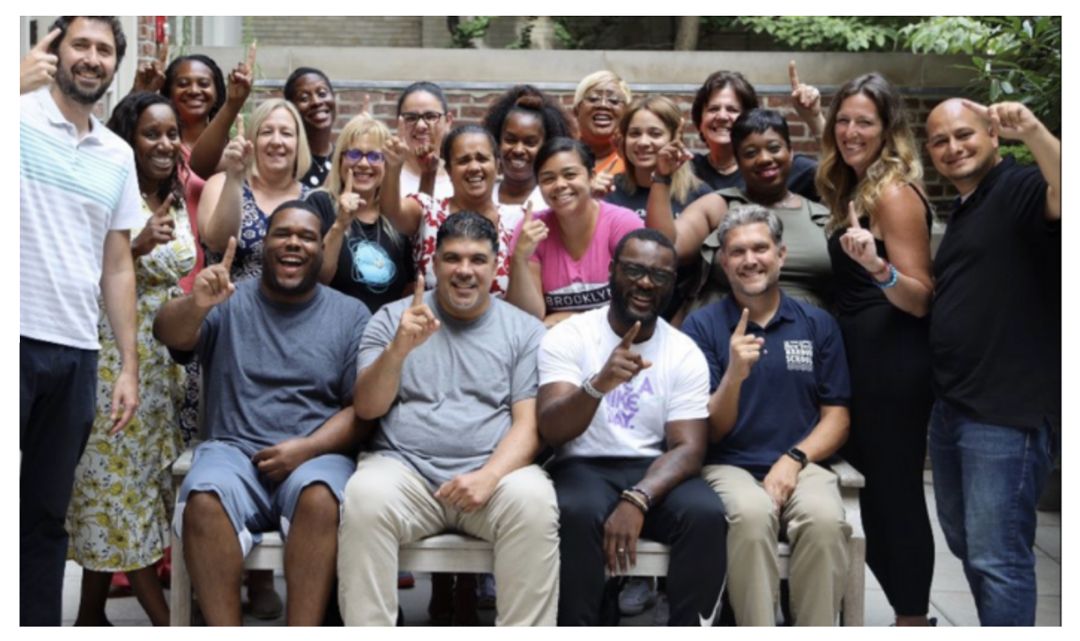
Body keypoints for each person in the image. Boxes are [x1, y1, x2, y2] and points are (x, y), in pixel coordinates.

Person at [154, 200, 371, 625]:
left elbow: (361, 410)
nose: (294, 243)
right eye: (282, 233)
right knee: (203, 499)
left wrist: (307, 448)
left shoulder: (350, 315)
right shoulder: (228, 298)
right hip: (233, 452)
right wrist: (197, 304)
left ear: (323, 250)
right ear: (265, 243)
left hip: (315, 455)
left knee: (321, 498)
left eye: (307, 237)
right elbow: (168, 332)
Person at [338, 212, 558, 626]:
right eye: (453, 258)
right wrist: (398, 350)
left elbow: (529, 424)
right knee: (364, 497)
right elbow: (367, 408)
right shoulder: (392, 319)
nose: (464, 270)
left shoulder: (525, 331)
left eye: (478, 260)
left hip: (492, 478)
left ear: (496, 266)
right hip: (407, 474)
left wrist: (490, 476)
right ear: (434, 263)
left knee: (534, 502)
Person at [538, 228, 727, 626]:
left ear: (672, 284)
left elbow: (689, 448)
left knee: (705, 512)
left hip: (653, 468)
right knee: (576, 511)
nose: (645, 283)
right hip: (583, 465)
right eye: (634, 270)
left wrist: (639, 498)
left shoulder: (683, 351)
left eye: (659, 275)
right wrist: (598, 385)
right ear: (612, 270)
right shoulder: (571, 335)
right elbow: (552, 429)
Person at [20, 16, 141, 626]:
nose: (92, 58)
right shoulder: (15, 114)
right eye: (81, 45)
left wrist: (127, 365)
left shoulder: (117, 154)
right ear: (53, 50)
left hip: (74, 351)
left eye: (105, 50)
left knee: (45, 515)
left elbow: (117, 264)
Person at [924, 98, 1060, 626]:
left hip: (1005, 409)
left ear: (993, 136)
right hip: (955, 404)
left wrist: (1035, 131)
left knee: (997, 556)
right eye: (940, 140)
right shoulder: (968, 206)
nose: (953, 148)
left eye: (965, 135)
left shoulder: (1020, 186)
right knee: (967, 542)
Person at [682, 206, 852, 626]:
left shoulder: (817, 323)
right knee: (752, 514)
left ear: (781, 254)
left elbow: (837, 418)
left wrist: (793, 459)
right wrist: (734, 377)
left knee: (824, 520)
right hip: (727, 465)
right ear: (724, 263)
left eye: (760, 248)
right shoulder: (701, 327)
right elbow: (711, 430)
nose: (750, 260)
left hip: (801, 462)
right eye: (737, 252)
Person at [63, 92, 195, 626]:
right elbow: (78, 266)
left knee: (128, 489)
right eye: (151, 133)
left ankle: (89, 615)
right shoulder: (103, 188)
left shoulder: (174, 196)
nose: (164, 143)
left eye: (171, 133)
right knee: (117, 492)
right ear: (128, 138)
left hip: (164, 371)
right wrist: (134, 246)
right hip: (112, 363)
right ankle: (170, 624)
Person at [817, 72, 936, 626]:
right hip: (862, 359)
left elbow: (920, 297)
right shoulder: (856, 185)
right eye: (842, 120)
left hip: (892, 365)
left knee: (895, 496)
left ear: (888, 128)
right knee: (871, 494)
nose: (850, 131)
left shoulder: (893, 194)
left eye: (864, 121)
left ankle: (912, 619)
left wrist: (877, 267)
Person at [648, 108, 833, 313]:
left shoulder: (820, 216)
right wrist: (662, 178)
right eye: (750, 153)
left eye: (774, 148)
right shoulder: (718, 205)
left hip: (807, 328)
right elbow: (663, 248)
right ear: (738, 161)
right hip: (723, 326)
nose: (764, 159)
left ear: (790, 152)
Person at [506, 137, 643, 327]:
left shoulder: (623, 224)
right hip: (555, 343)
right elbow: (528, 318)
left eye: (570, 175)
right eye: (548, 179)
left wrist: (564, 319)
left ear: (591, 176)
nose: (560, 185)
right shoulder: (532, 229)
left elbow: (635, 307)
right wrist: (520, 258)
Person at [605, 95, 712, 324]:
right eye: (635, 133)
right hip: (618, 315)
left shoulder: (699, 195)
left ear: (674, 138)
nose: (643, 142)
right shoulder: (608, 192)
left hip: (681, 318)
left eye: (655, 134)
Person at [384, 124, 523, 297]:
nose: (474, 167)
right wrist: (392, 168)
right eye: (463, 160)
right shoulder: (427, 210)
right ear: (449, 170)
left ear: (498, 165)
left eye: (482, 159)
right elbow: (392, 212)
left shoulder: (518, 220)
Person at [305, 115, 414, 313]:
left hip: (384, 329)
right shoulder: (320, 203)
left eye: (374, 156)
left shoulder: (396, 216)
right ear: (340, 160)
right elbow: (318, 279)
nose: (364, 163)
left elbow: (408, 288)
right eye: (354, 154)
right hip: (334, 325)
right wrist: (340, 225)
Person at [199, 98, 313, 284]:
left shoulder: (313, 199)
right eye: (267, 132)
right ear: (252, 140)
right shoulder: (220, 184)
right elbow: (219, 243)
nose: (276, 141)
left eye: (286, 133)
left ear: (299, 143)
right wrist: (234, 177)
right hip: (227, 299)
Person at [688, 65, 823, 200]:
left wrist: (814, 118)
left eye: (732, 109)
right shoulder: (687, 170)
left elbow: (834, 172)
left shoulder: (778, 166)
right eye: (713, 109)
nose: (722, 116)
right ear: (700, 120)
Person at [482, 84, 574, 214]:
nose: (518, 150)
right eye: (510, 140)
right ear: (497, 141)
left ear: (546, 147)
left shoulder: (555, 202)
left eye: (530, 143)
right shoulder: (480, 195)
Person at [572, 70, 631, 194]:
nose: (603, 105)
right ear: (576, 110)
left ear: (627, 114)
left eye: (614, 101)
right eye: (593, 99)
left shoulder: (636, 159)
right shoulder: (559, 155)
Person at [396, 81, 454, 199]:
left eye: (431, 116)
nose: (421, 125)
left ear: (448, 121)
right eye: (411, 118)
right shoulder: (387, 178)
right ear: (398, 122)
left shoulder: (460, 177)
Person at [285, 66, 338, 188]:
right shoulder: (285, 160)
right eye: (304, 98)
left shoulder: (346, 158)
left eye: (322, 93)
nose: (316, 102)